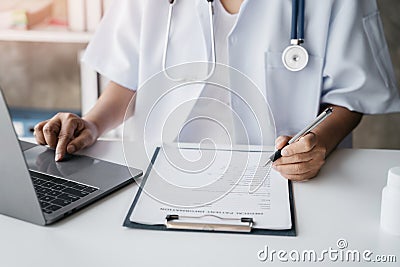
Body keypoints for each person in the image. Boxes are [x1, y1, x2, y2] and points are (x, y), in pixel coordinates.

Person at [34, 0, 400, 181]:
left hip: (283, 181)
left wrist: (317, 144)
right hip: (164, 177)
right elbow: (129, 79)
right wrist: (92, 125)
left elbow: (349, 98)